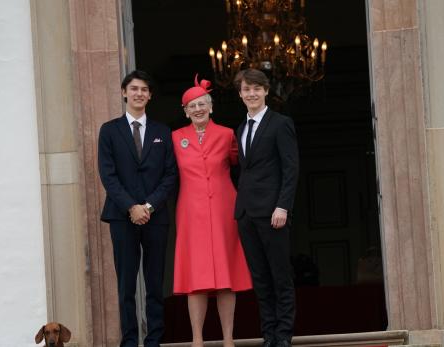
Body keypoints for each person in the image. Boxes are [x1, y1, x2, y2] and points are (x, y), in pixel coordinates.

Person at [98, 70, 178, 347]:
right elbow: (107, 175)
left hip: (156, 217)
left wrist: (149, 205)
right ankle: (130, 340)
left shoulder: (162, 132)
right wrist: (131, 206)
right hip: (121, 216)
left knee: (155, 283)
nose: (139, 93)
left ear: (150, 96)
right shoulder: (109, 131)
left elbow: (170, 174)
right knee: (126, 285)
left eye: (144, 89)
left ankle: (154, 339)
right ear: (124, 92)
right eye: (134, 89)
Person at [172, 75, 252, 347]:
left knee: (225, 275)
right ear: (185, 111)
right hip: (190, 211)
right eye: (191, 106)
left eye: (202, 104)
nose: (197, 109)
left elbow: (243, 167)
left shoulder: (228, 134)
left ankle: (228, 338)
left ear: (211, 106)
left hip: (223, 208)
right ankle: (197, 339)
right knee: (196, 275)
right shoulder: (175, 138)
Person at [233, 69, 300, 347]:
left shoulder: (280, 123)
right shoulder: (241, 128)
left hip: (273, 212)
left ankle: (283, 335)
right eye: (247, 89)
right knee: (260, 278)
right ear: (240, 94)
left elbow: (291, 167)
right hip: (246, 213)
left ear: (266, 91)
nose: (252, 94)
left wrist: (282, 206)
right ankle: (268, 334)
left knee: (280, 275)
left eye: (257, 88)